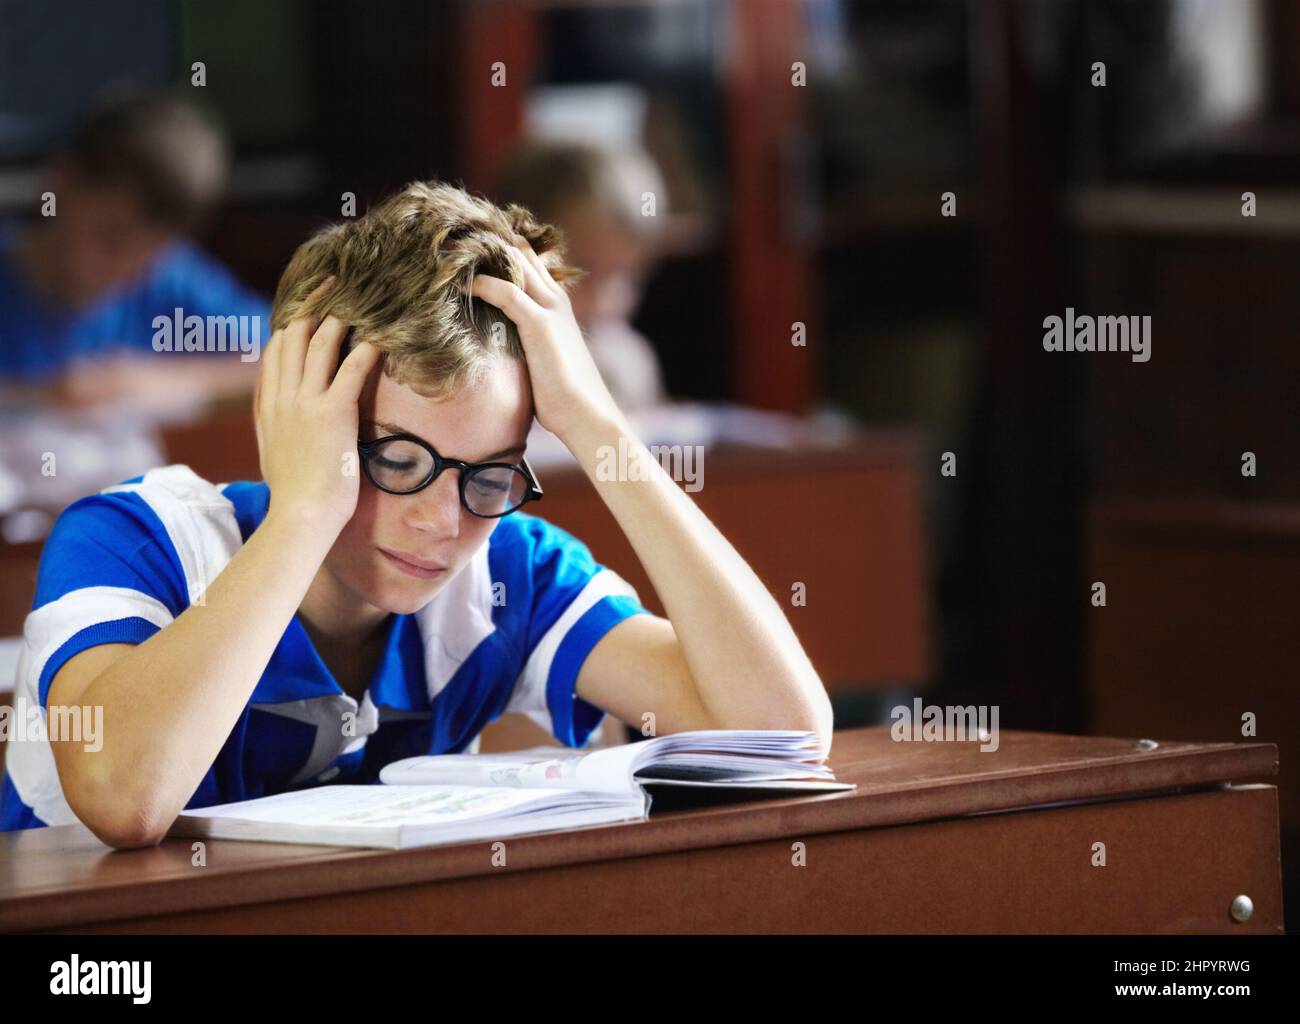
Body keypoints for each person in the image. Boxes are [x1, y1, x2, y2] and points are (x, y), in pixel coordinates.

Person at [0, 181, 832, 846]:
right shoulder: (134, 540)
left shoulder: (511, 575)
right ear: (293, 418)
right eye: (397, 461)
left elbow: (782, 735)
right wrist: (302, 515)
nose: (444, 522)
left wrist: (597, 426)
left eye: (490, 477)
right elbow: (122, 799)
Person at [0, 89, 267, 412]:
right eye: (110, 239)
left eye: (150, 255)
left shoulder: (170, 280)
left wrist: (172, 382)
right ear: (63, 186)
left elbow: (298, 353)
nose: (126, 270)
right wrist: (38, 399)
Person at [496, 141, 669, 412]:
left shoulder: (628, 358)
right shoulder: (485, 364)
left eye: (629, 276)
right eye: (583, 271)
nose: (607, 302)